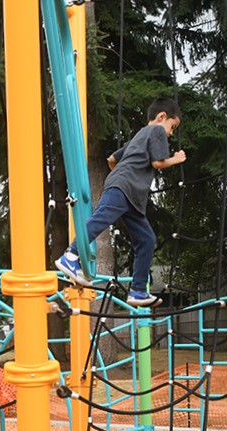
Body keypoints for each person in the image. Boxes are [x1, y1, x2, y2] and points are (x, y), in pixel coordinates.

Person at [55, 98, 186, 307]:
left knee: (146, 239)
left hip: (130, 195)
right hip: (125, 189)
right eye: (173, 127)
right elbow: (157, 163)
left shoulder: (138, 137)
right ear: (162, 117)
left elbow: (111, 160)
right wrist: (176, 158)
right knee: (102, 218)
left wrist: (123, 176)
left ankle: (137, 291)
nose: (170, 133)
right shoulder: (157, 132)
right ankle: (70, 255)